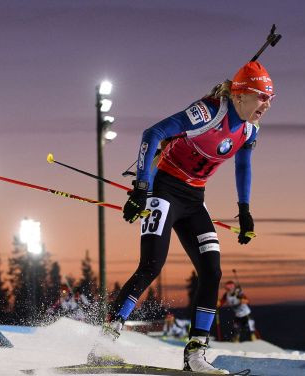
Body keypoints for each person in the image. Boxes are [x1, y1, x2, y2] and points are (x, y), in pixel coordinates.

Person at [91, 61, 274, 374]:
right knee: (151, 264)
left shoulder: (249, 129)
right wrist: (140, 190)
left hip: (194, 200)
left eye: (270, 99)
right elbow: (154, 132)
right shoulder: (208, 112)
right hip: (165, 191)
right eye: (261, 97)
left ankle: (195, 355)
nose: (266, 105)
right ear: (241, 95)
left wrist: (245, 211)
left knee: (212, 271)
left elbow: (243, 166)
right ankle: (103, 345)